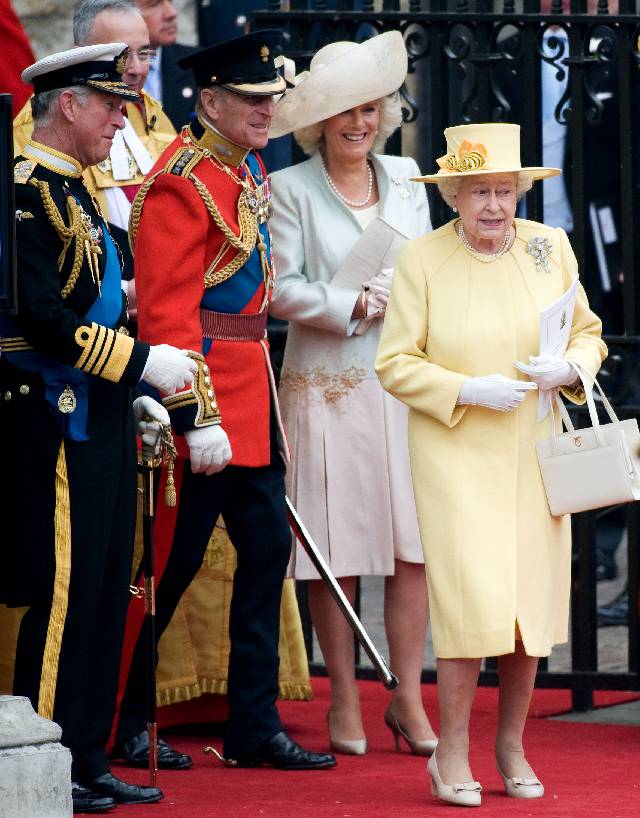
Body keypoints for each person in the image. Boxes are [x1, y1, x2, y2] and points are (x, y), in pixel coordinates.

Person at [375, 122, 607, 807]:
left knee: (527, 604)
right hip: (455, 453)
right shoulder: (422, 260)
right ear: (452, 193)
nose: (494, 206)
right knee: (472, 600)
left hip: (534, 451)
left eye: (505, 191)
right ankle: (449, 747)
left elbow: (589, 333)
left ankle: (510, 742)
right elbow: (394, 362)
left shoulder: (550, 247)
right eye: (479, 192)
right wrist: (464, 389)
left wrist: (570, 368)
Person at [123, 29, 336, 771]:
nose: (264, 111)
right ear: (209, 100)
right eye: (250, 100)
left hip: (252, 394)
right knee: (169, 565)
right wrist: (196, 414)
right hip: (205, 396)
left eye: (270, 99)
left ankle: (252, 724)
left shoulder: (243, 169)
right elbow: (168, 313)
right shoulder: (182, 178)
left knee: (268, 550)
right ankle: (125, 717)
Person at [0, 42, 197, 814]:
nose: (123, 115)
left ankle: (84, 751)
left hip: (103, 408)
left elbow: (108, 294)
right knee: (63, 592)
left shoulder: (82, 190)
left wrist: (136, 380)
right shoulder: (23, 194)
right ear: (68, 105)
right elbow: (39, 321)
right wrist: (141, 362)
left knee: (107, 588)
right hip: (54, 418)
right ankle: (44, 754)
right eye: (109, 103)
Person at [267, 31, 437, 757]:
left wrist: (407, 301)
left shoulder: (405, 176)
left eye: (369, 109)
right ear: (319, 122)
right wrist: (351, 308)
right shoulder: (288, 188)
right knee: (332, 548)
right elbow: (279, 288)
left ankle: (407, 694)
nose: (359, 122)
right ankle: (343, 694)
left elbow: (429, 264)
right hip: (326, 386)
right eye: (344, 111)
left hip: (400, 382)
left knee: (413, 550)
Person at [13, 0, 176, 301]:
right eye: (122, 56)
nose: (138, 69)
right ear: (81, 53)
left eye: (144, 53)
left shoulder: (153, 113)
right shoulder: (32, 128)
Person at [134, 0, 197, 129]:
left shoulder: (199, 64)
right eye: (154, 4)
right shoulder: (101, 71)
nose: (172, 13)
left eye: (170, 2)